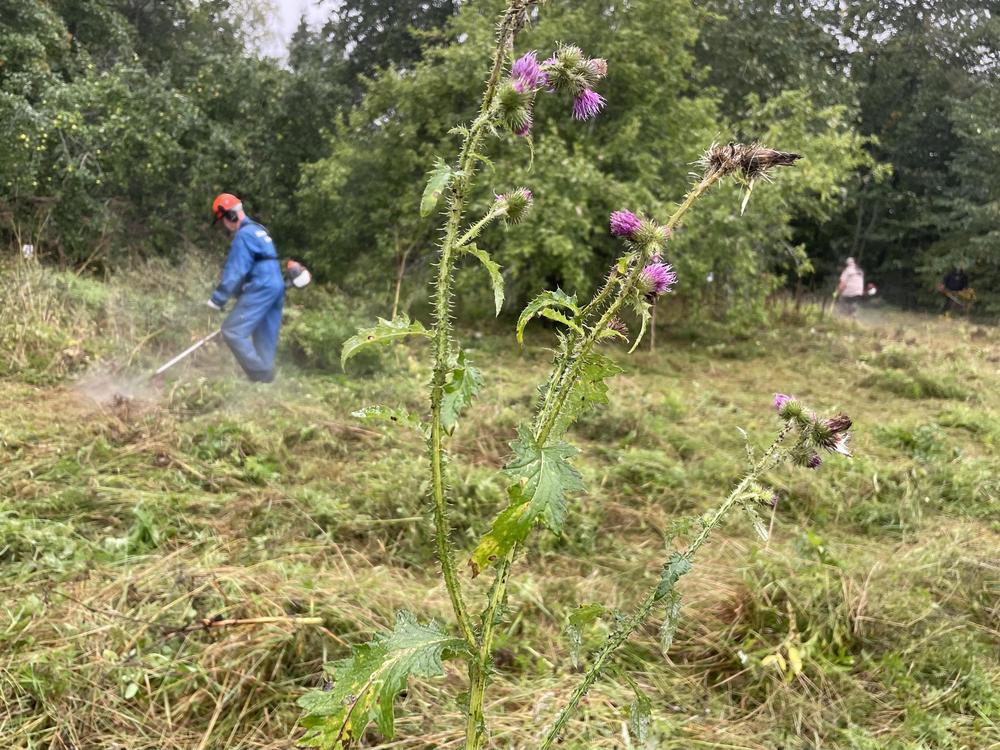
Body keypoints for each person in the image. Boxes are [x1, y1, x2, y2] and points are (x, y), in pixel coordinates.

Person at [207, 193, 285, 383]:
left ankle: (261, 375)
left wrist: (218, 299)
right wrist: (239, 294)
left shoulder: (243, 235)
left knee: (232, 330)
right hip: (275, 283)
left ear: (230, 216)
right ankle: (265, 382)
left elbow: (236, 270)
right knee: (264, 333)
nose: (225, 226)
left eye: (223, 220)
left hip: (262, 285)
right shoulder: (259, 230)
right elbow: (256, 266)